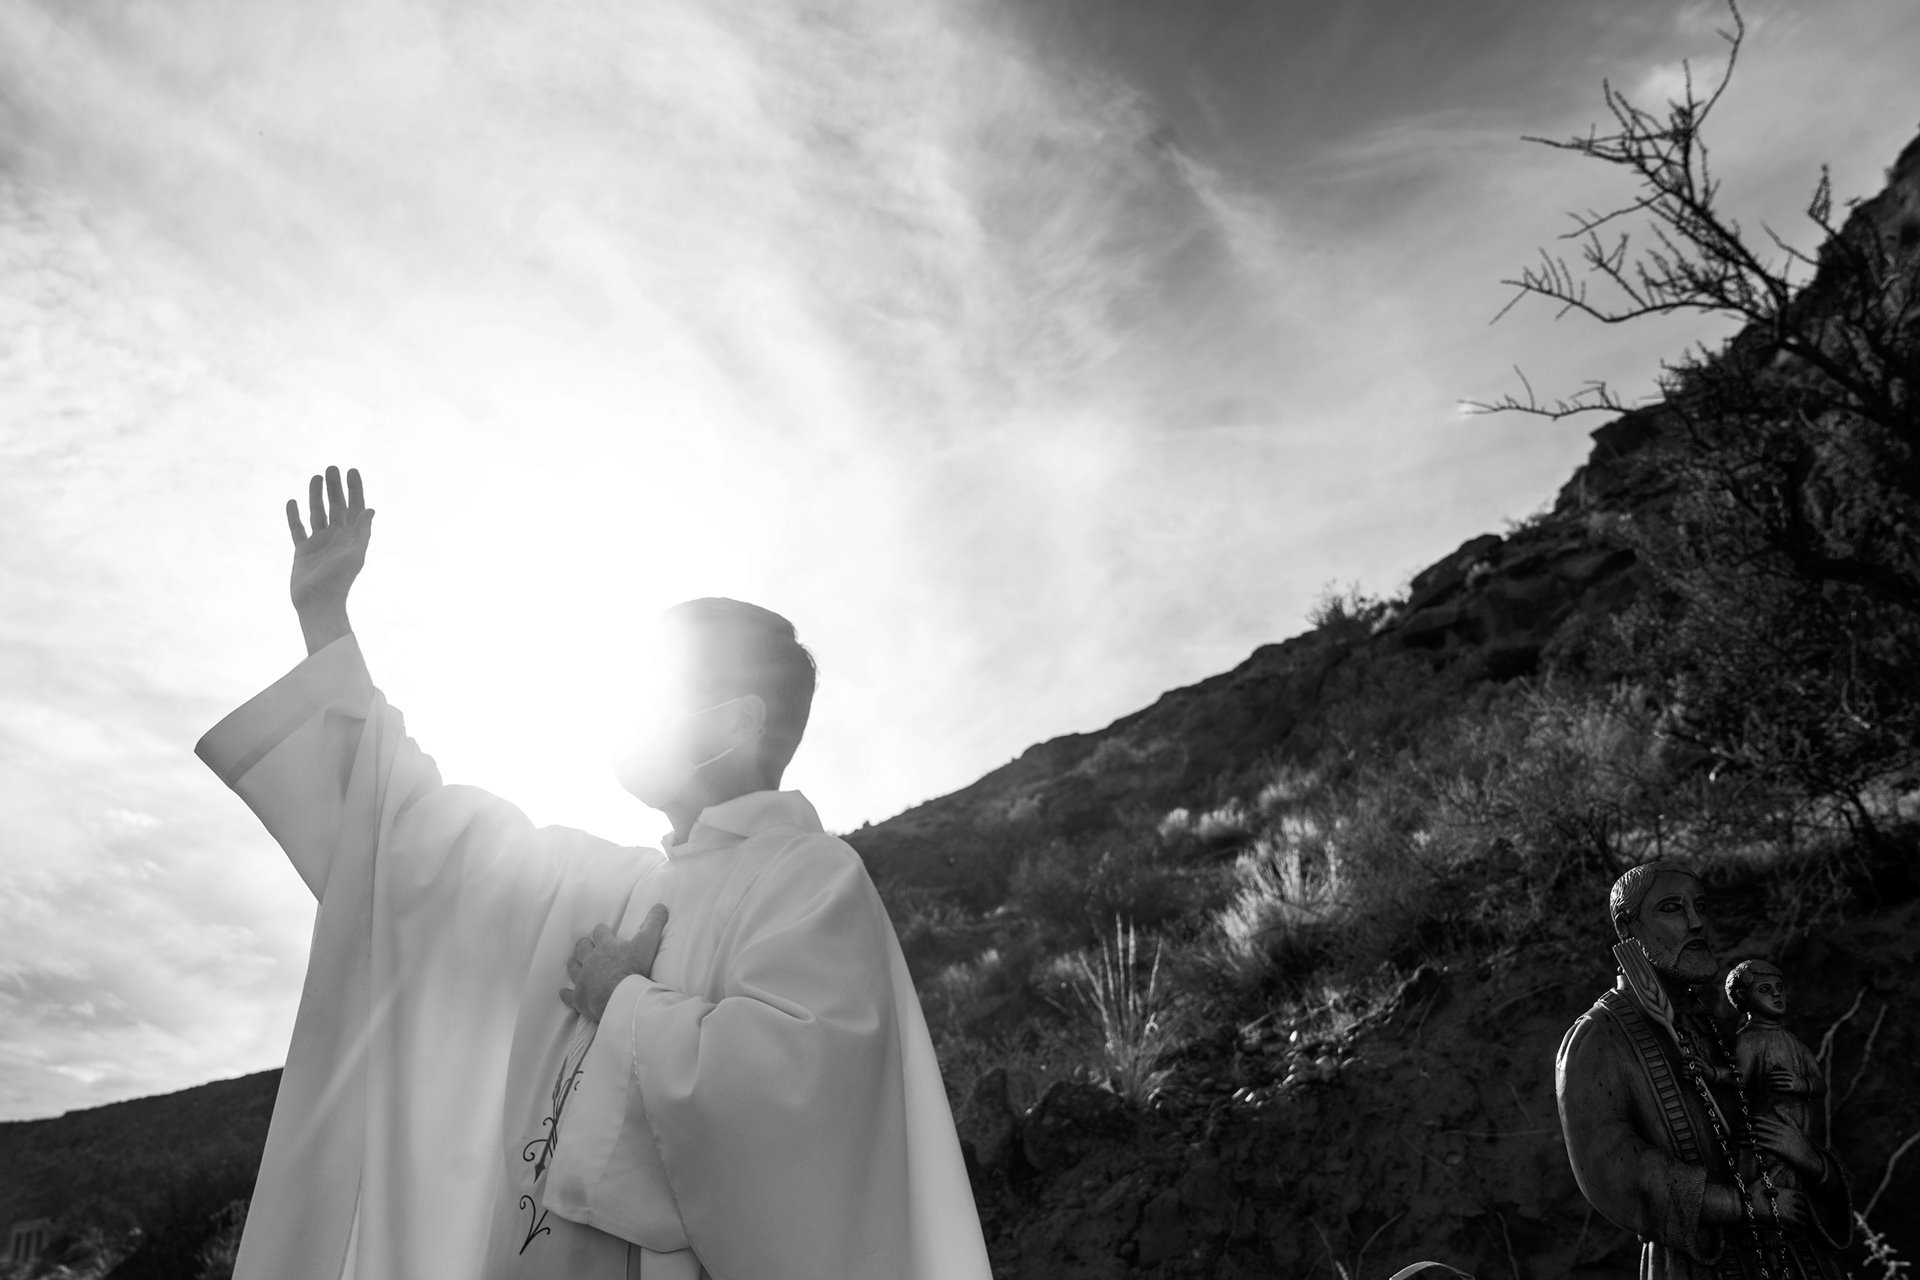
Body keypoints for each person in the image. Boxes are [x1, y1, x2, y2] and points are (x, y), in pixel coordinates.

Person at [195, 465, 989, 1280]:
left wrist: (624, 1003)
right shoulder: (608, 886)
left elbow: (798, 1102)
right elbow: (414, 844)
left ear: (739, 721)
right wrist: (327, 621)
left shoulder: (810, 877)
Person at [1555, 861, 1851, 1279]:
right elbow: (1616, 1175)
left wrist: (1812, 1164)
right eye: (1673, 908)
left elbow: (1782, 1128)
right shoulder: (1597, 1037)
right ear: (1627, 927)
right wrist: (1741, 1205)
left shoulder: (1721, 1026)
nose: (1696, 923)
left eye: (1700, 907)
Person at [1725, 961, 1826, 1194]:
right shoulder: (1749, 1039)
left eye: (1779, 987)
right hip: (1766, 1137)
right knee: (1770, 1194)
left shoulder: (1794, 1043)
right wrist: (1710, 1073)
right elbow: (1737, 1078)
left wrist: (1802, 1084)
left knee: (1796, 1192)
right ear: (1743, 996)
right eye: (1764, 989)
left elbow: (1819, 1083)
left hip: (1798, 1137)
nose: (1776, 993)